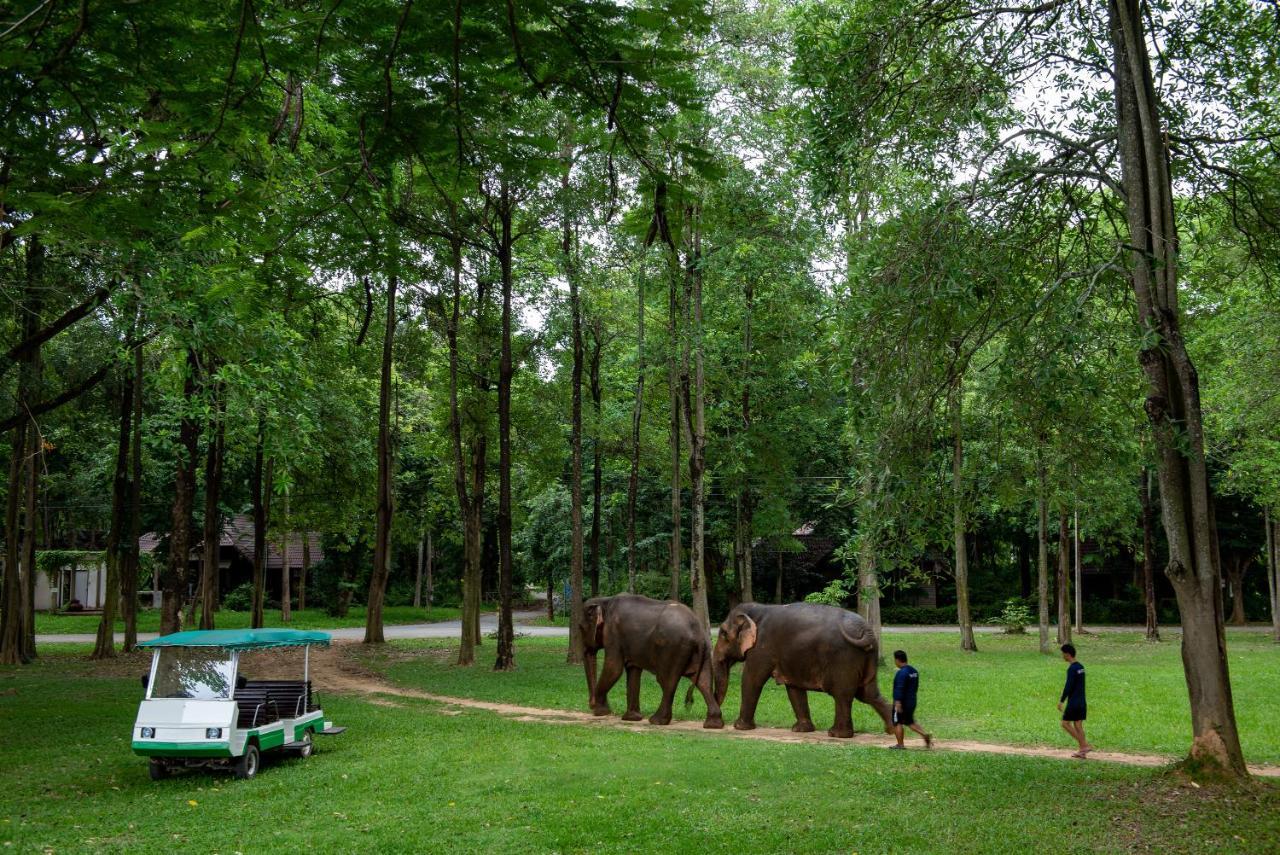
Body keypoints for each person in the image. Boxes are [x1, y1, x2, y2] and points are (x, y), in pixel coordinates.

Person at [889, 650, 933, 749]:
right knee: (910, 722)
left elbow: (899, 688)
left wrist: (897, 702)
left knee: (897, 722)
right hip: (912, 701)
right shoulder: (914, 671)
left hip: (902, 702)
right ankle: (924, 734)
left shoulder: (901, 673)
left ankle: (900, 744)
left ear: (897, 660)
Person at [1058, 643, 1092, 758]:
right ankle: (1082, 751)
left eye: (1063, 654)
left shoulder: (1072, 669)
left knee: (1065, 723)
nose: (1062, 656)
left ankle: (1084, 745)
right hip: (1082, 702)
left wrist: (1061, 701)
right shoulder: (1081, 667)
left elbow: (1068, 686)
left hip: (1074, 703)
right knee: (1078, 724)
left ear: (1067, 654)